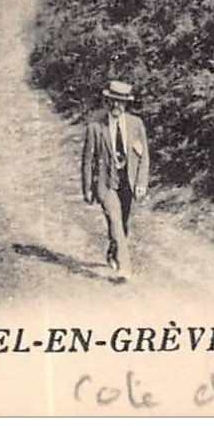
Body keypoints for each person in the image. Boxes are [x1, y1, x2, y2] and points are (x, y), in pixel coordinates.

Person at [81, 79, 150, 282]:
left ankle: (114, 250)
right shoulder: (95, 127)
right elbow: (87, 160)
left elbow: (143, 155)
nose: (116, 106)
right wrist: (87, 188)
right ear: (106, 101)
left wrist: (141, 182)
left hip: (127, 182)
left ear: (126, 104)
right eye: (112, 101)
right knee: (115, 219)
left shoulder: (136, 125)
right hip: (105, 183)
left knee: (123, 222)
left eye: (120, 102)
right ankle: (125, 267)